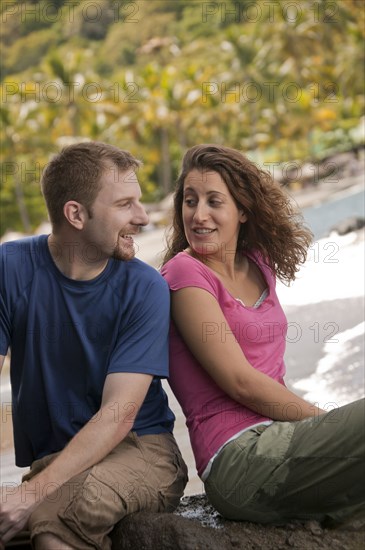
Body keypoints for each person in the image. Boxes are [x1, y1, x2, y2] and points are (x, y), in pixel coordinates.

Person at [161, 144, 364, 525]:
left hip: (280, 440)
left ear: (242, 210)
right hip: (237, 459)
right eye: (190, 201)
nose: (198, 215)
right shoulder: (184, 275)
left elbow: (269, 372)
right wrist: (325, 425)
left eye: (213, 202)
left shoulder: (258, 263)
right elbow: (242, 383)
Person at [0, 141, 188, 550]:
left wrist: (31, 494)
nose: (143, 217)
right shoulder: (9, 268)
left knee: (57, 522)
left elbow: (118, 415)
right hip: (57, 461)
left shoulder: (145, 288)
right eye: (125, 204)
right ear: (76, 214)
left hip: (143, 450)